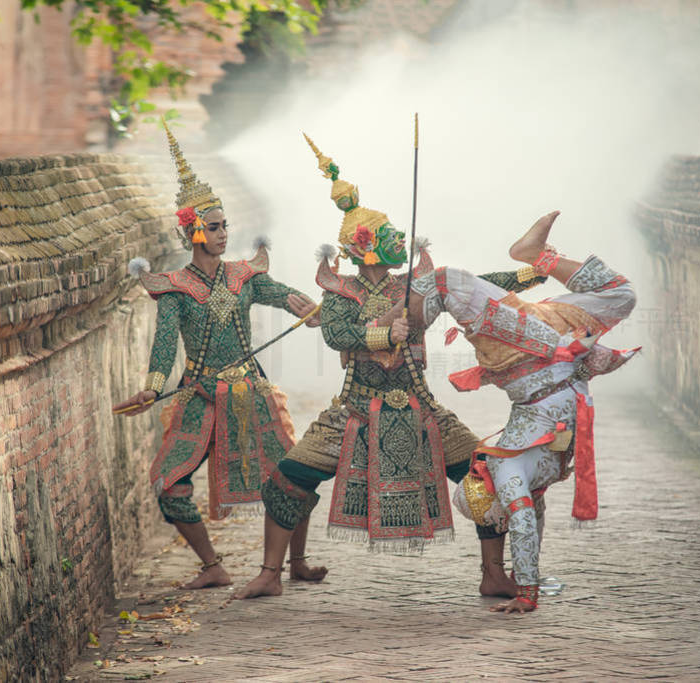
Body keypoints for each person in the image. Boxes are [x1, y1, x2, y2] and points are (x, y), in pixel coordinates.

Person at [235, 136, 548, 599]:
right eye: (388, 234)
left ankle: (492, 573)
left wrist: (530, 272)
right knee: (287, 479)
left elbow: (473, 286)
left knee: (486, 475)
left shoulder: (417, 286)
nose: (398, 238)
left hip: (420, 408)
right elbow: (336, 335)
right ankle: (273, 572)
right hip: (355, 410)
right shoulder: (339, 291)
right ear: (365, 246)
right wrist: (384, 335)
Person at [113, 124, 327, 589]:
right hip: (200, 395)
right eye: (213, 227)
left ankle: (297, 562)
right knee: (169, 485)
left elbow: (280, 293)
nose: (224, 233)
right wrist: (151, 388)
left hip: (250, 389)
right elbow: (165, 342)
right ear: (191, 231)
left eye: (226, 225)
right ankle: (213, 567)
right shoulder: (173, 288)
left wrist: (312, 308)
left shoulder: (243, 276)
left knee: (293, 479)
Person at [407, 209, 638, 613]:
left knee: (443, 282)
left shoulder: (509, 472)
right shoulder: (528, 479)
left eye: (479, 481)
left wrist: (403, 331)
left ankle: (407, 321)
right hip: (546, 352)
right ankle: (537, 255)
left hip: (523, 346)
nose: (511, 509)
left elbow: (525, 523)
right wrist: (526, 589)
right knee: (622, 295)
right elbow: (531, 523)